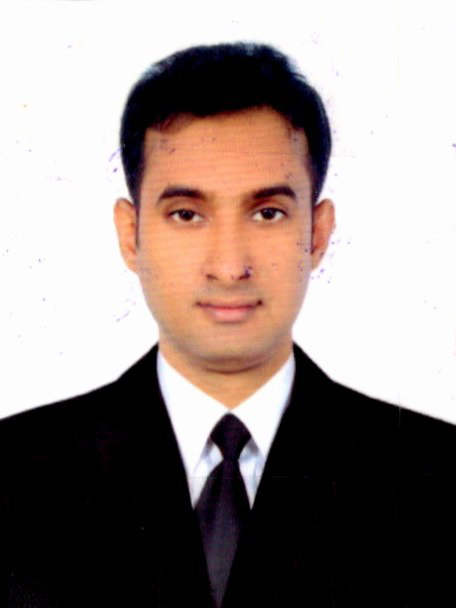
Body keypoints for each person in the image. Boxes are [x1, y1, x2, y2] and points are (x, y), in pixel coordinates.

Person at [1, 41, 455, 608]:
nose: (229, 266)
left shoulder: (437, 481)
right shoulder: (13, 476)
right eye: (186, 214)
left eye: (267, 213)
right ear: (130, 234)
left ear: (317, 234)